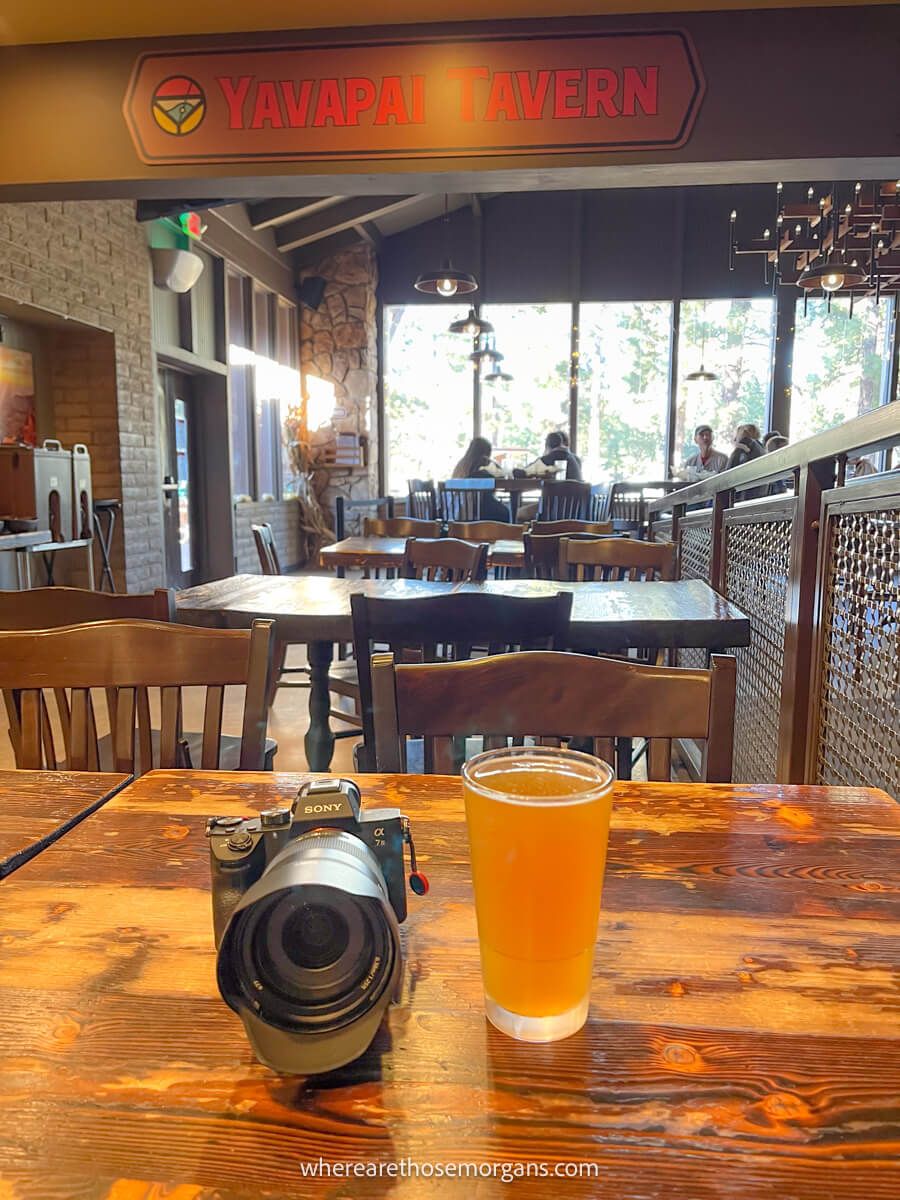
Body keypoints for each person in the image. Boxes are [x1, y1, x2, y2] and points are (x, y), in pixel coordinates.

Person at [516, 431, 582, 522]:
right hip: (578, 511)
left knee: (519, 514)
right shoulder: (575, 459)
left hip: (554, 509)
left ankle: (535, 535)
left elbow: (523, 472)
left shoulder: (549, 458)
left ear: (547, 446)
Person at [451, 436, 510, 522]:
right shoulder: (483, 466)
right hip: (477, 511)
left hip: (459, 512)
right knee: (505, 512)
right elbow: (496, 478)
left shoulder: (461, 465)